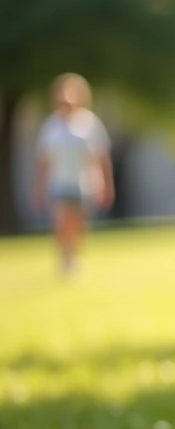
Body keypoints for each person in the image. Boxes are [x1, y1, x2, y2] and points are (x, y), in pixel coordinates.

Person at [32, 74, 115, 277]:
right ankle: (64, 258)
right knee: (61, 222)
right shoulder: (51, 127)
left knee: (78, 224)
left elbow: (101, 157)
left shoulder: (89, 123)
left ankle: (74, 256)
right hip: (59, 183)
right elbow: (45, 162)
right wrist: (39, 189)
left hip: (85, 182)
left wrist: (107, 185)